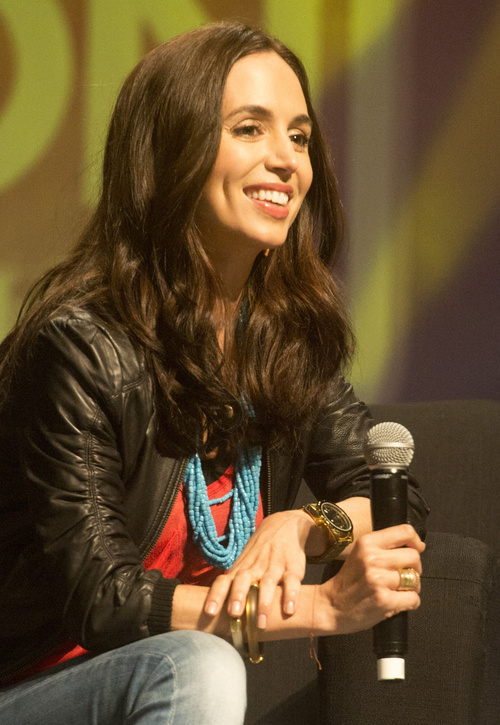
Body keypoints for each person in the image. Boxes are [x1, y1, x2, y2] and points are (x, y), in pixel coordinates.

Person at [0, 20, 428, 724]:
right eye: (250, 129)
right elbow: (101, 598)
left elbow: (395, 500)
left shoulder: (280, 340)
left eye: (299, 136)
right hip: (34, 684)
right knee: (196, 661)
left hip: (175, 689)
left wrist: (304, 525)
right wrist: (321, 603)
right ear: (173, 153)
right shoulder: (81, 346)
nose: (287, 159)